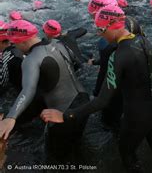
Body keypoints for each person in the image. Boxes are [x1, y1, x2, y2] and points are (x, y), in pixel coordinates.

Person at [41, 6, 152, 172]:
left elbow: (102, 101)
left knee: (127, 155)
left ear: (113, 26)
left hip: (137, 116)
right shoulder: (142, 40)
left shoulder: (118, 55)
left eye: (101, 29)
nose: (100, 34)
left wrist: (66, 115)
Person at [0, 20, 89, 159]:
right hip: (83, 102)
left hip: (62, 112)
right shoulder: (59, 43)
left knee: (55, 157)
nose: (15, 47)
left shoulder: (30, 59)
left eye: (15, 43)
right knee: (77, 146)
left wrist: (11, 117)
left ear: (22, 41)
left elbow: (27, 91)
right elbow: (77, 63)